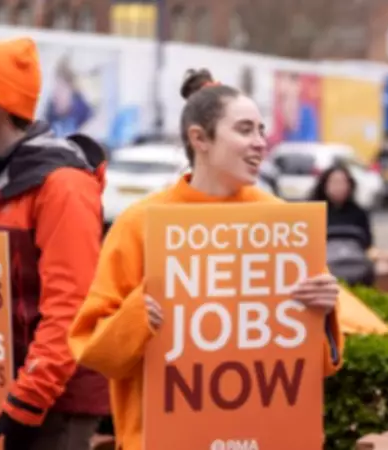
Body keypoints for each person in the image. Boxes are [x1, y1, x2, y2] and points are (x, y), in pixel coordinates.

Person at [69, 68, 345, 450]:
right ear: (199, 138)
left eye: (262, 130)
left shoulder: (284, 222)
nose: (261, 143)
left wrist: (323, 311)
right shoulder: (139, 224)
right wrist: (136, 318)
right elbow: (94, 353)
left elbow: (317, 366)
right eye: (245, 130)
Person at [0, 36, 109, 449]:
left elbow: (70, 309)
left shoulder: (63, 184)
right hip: (2, 387)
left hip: (56, 400)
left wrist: (27, 399)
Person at [310, 163, 373, 250]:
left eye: (343, 182)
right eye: (335, 182)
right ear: (324, 185)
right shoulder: (312, 212)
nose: (339, 187)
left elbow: (368, 246)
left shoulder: (359, 213)